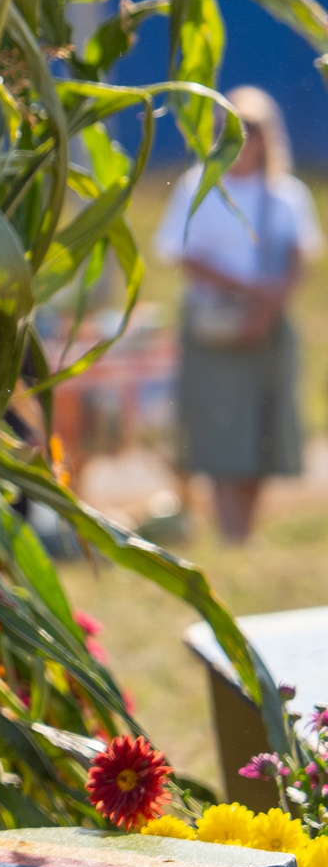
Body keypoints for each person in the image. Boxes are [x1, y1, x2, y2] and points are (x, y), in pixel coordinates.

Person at [155, 85, 319, 545]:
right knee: (220, 433)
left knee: (263, 435)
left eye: (253, 130)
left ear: (269, 137)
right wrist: (247, 290)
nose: (244, 140)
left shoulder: (287, 195)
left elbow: (298, 259)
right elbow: (183, 255)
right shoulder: (197, 187)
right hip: (214, 327)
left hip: (268, 329)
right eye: (233, 129)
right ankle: (231, 535)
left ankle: (243, 532)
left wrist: (266, 309)